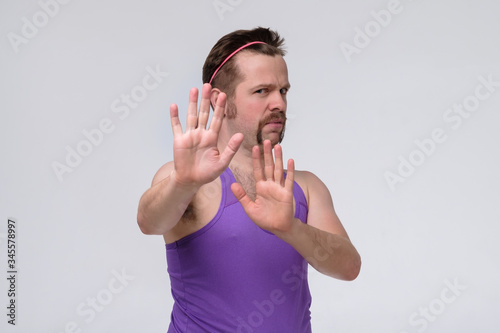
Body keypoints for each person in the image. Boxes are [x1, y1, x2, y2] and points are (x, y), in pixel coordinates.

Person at [137, 27, 361, 333]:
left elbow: (349, 268)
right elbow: (150, 222)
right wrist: (183, 182)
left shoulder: (305, 187)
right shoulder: (185, 182)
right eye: (262, 91)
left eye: (283, 91)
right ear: (220, 99)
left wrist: (291, 228)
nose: (279, 103)